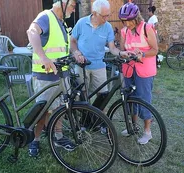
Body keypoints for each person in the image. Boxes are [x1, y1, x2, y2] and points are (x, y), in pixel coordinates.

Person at [26, 0, 78, 157]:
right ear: (63, 2)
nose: (74, 10)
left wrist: (74, 54)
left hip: (61, 74)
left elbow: (62, 48)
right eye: (73, 6)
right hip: (45, 75)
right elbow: (32, 32)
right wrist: (43, 57)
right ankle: (34, 140)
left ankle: (58, 136)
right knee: (42, 111)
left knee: (60, 108)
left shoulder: (61, 22)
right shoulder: (46, 16)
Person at [70, 0, 132, 96]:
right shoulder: (81, 23)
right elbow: (72, 41)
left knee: (102, 96)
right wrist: (76, 52)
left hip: (99, 66)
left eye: (108, 15)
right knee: (82, 96)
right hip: (82, 65)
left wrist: (120, 53)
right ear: (94, 13)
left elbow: (112, 48)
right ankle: (84, 111)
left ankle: (98, 111)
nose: (106, 19)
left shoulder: (108, 27)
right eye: (104, 16)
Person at [118, 2, 158, 145]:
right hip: (129, 69)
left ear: (136, 18)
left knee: (144, 99)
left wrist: (143, 54)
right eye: (124, 21)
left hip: (144, 70)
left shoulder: (147, 28)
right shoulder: (124, 31)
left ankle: (147, 131)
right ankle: (133, 127)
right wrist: (123, 54)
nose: (127, 24)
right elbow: (122, 49)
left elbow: (155, 49)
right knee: (130, 98)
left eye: (129, 20)